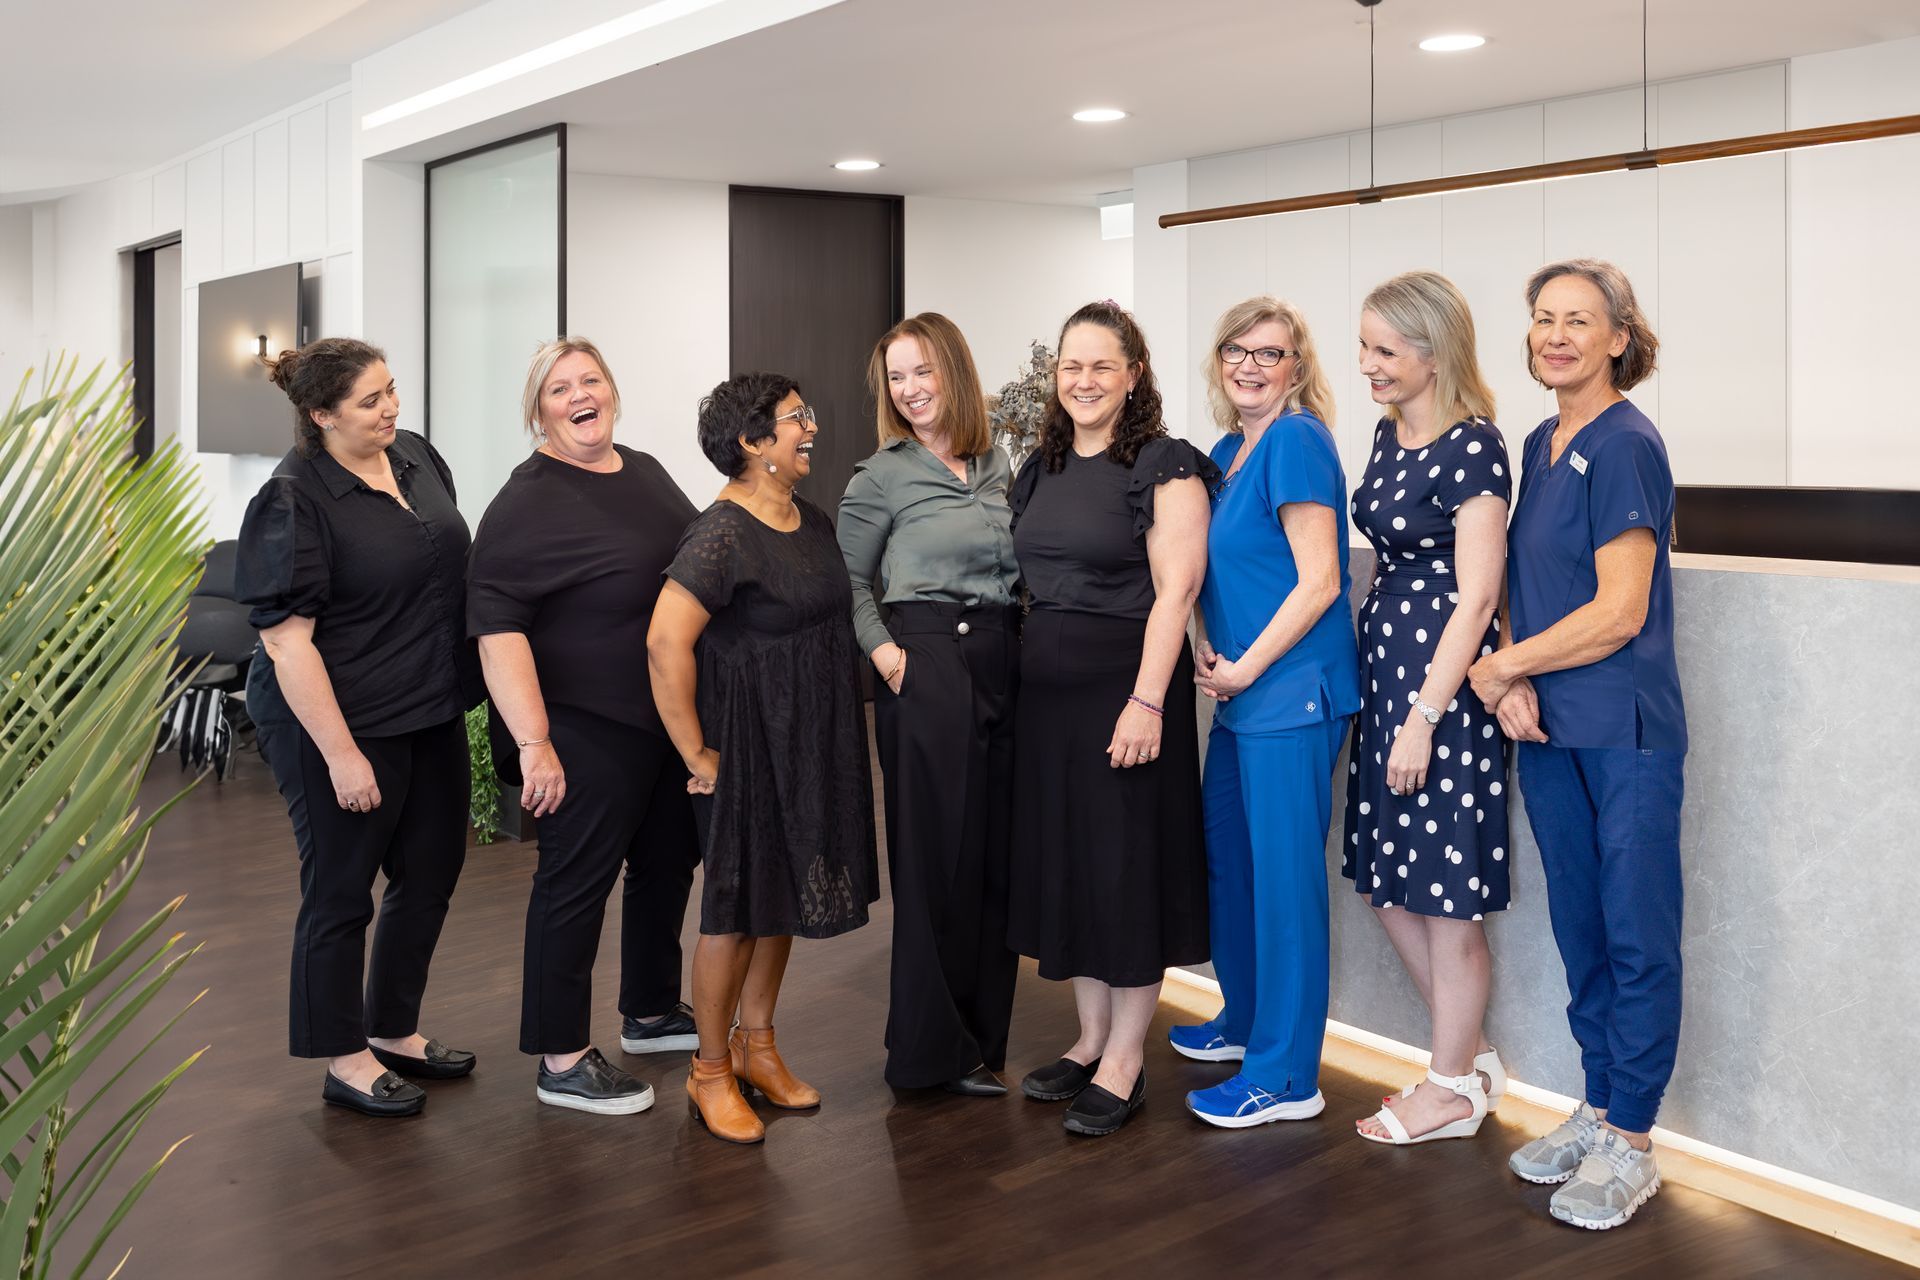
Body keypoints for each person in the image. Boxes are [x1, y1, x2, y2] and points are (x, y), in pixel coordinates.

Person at [1468, 259, 1684, 1231]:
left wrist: (1503, 667)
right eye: (1544, 319)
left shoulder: (1627, 444)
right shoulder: (1541, 441)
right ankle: (1598, 1105)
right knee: (1582, 929)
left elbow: (1620, 610)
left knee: (1635, 932)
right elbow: (1529, 580)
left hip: (1623, 730)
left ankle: (1632, 1138)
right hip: (1551, 727)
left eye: (1579, 321)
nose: (1556, 336)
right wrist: (1514, 674)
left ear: (1618, 339)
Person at [236, 338, 482, 1118]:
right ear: (321, 415)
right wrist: (342, 757)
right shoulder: (292, 498)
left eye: (391, 390)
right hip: (334, 719)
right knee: (341, 891)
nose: (391, 409)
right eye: (370, 401)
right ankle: (344, 1058)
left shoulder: (414, 458)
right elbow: (287, 643)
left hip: (428, 703)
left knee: (431, 873)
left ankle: (393, 1030)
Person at [467, 337, 702, 1116]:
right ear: (539, 411)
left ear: (611, 391)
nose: (580, 396)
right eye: (560, 388)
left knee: (667, 865)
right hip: (581, 725)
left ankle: (651, 1010)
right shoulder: (524, 502)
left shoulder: (644, 470)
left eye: (590, 380)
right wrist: (534, 743)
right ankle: (561, 1056)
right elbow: (497, 630)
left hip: (661, 719)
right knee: (574, 885)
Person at [648, 372, 879, 1145]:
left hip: (806, 741)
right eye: (794, 418)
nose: (810, 428)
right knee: (735, 912)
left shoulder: (811, 519)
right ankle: (710, 1070)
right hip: (744, 748)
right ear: (752, 442)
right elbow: (664, 643)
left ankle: (758, 1048)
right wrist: (696, 750)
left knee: (783, 895)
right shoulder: (719, 533)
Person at [1006, 300, 1213, 1138]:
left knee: (1125, 873)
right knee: (1074, 866)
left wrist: (1147, 701)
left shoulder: (1164, 465)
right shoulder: (1041, 465)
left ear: (1134, 375)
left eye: (1101, 366)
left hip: (1126, 695)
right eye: (1071, 366)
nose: (1084, 381)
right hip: (1048, 704)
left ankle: (1126, 1059)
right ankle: (1090, 1040)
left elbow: (1177, 591)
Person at [1170, 296, 1361, 1130]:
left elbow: (1321, 581)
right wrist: (1208, 644)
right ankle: (1245, 1021)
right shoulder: (1225, 452)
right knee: (1232, 863)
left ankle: (1286, 1076)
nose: (1250, 366)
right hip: (1241, 692)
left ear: (1296, 367)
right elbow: (1216, 571)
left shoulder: (1296, 440)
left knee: (1285, 886)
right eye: (1236, 350)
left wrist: (1244, 666)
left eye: (1269, 353)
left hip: (1291, 694)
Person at [1341, 272, 1512, 1146]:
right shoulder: (1388, 431)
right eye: (1364, 346)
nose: (1367, 364)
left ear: (1434, 352)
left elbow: (1477, 597)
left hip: (1439, 691)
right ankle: (1468, 1060)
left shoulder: (1475, 446)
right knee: (1386, 881)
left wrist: (1424, 715)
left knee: (1448, 898)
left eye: (1384, 350)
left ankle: (1447, 1090)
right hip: (1387, 675)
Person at [838, 313, 1021, 1097]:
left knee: (993, 862)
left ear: (955, 372)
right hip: (927, 659)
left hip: (1003, 659)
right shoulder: (880, 476)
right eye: (897, 377)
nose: (910, 389)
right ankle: (926, 1054)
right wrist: (887, 658)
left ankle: (980, 1040)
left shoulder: (996, 463)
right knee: (935, 864)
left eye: (924, 371)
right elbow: (846, 582)